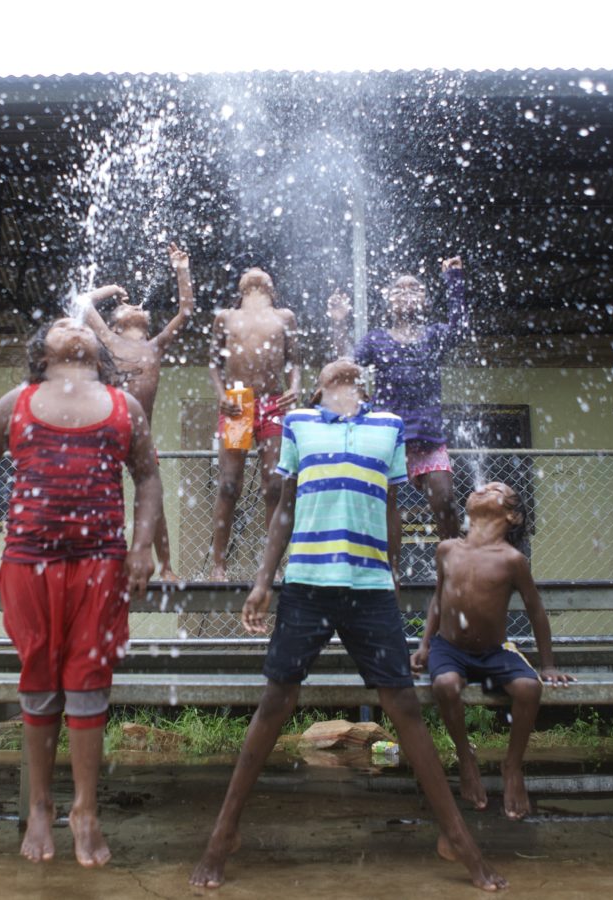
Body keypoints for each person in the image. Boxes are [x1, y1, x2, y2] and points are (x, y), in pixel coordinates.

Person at [189, 358, 506, 893]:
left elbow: (391, 508)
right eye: (332, 368)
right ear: (317, 387)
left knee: (403, 705)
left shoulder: (388, 426)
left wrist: (393, 570)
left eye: (350, 368)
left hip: (370, 587)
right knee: (275, 701)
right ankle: (223, 834)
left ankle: (457, 837)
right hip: (306, 584)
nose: (343, 366)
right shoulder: (299, 423)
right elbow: (283, 509)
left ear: (363, 383)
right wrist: (264, 581)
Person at [0, 315, 163, 868]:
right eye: (59, 323)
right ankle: (41, 805)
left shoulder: (124, 407)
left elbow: (148, 477)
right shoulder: (17, 402)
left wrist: (142, 546)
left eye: (81, 324)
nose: (73, 323)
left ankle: (86, 810)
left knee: (89, 680)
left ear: (99, 352)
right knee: (41, 675)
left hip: (102, 563)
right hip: (30, 562)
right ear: (41, 355)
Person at [411, 481, 574, 820]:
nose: (484, 487)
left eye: (496, 488)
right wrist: (424, 645)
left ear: (513, 516)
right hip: (448, 648)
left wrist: (547, 665)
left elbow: (536, 611)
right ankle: (465, 758)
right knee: (445, 685)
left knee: (529, 687)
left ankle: (512, 766)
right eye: (483, 486)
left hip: (494, 651)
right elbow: (438, 600)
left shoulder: (513, 560)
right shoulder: (447, 550)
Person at [328, 255, 469, 541]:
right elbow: (346, 365)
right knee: (385, 507)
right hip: (387, 437)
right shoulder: (376, 340)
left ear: (425, 302)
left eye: (414, 288)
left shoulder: (433, 336)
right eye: (399, 289)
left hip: (428, 439)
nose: (406, 293)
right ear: (389, 302)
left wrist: (454, 281)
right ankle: (391, 568)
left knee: (445, 501)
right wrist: (339, 324)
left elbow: (460, 330)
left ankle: (452, 564)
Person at [79, 244, 196, 579]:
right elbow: (82, 302)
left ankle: (166, 566)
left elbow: (186, 313)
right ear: (115, 325)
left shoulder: (155, 345)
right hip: (107, 433)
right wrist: (112, 289)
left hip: (141, 435)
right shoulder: (107, 339)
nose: (134, 305)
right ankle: (103, 557)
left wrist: (181, 269)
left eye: (136, 305)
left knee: (151, 498)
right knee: (102, 493)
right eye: (126, 305)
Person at [208, 266, 301, 580]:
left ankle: (271, 565)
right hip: (237, 402)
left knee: (274, 484)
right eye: (250, 274)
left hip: (273, 402)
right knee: (229, 483)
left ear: (272, 289)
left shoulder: (284, 316)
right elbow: (213, 364)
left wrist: (295, 387)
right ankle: (219, 565)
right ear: (240, 288)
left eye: (263, 275)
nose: (256, 273)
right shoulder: (226, 317)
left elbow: (294, 361)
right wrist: (221, 394)